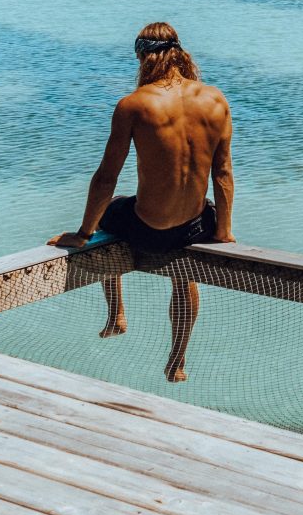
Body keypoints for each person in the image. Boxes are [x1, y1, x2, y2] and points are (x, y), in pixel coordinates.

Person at [50, 21, 233, 381]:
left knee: (112, 211)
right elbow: (222, 173)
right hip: (196, 227)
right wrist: (224, 231)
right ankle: (178, 360)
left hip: (149, 230)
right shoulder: (215, 100)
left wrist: (83, 233)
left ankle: (117, 313)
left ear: (143, 57)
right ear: (181, 54)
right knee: (185, 275)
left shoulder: (133, 105)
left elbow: (106, 177)